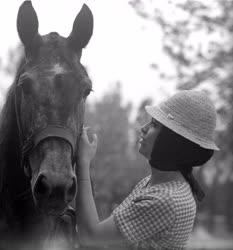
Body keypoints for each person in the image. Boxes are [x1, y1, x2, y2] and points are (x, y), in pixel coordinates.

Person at [75, 90, 219, 249]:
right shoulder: (157, 185)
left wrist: (83, 162)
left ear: (172, 142)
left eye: (154, 125)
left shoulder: (165, 200)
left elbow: (90, 237)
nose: (143, 128)